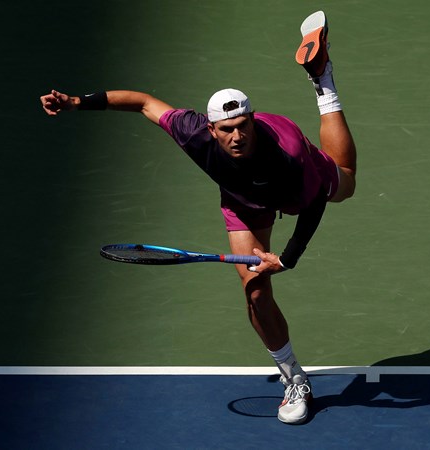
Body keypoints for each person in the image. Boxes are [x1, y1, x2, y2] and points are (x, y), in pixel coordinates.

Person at [40, 10, 355, 425]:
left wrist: (289, 255)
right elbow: (143, 103)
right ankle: (294, 377)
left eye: (243, 126)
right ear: (210, 128)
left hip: (294, 188)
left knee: (345, 185)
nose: (236, 136)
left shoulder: (289, 152)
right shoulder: (191, 131)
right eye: (226, 129)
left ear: (254, 122)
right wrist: (78, 102)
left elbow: (313, 202)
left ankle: (323, 81)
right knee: (256, 290)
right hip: (243, 202)